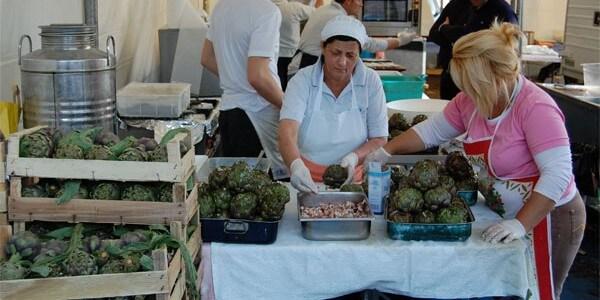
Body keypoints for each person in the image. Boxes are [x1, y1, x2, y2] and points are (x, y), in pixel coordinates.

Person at [366, 22, 585, 300]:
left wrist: (521, 224)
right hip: (504, 211)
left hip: (550, 217)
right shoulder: (470, 100)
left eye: (472, 84)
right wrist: (387, 150)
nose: (466, 92)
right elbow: (430, 132)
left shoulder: (535, 107)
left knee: (538, 290)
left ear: (496, 76)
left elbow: (558, 174)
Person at [279, 15, 388, 193]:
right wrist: (296, 166)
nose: (342, 62)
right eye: (336, 53)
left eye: (350, 55)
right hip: (307, 180)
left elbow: (380, 138)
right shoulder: (303, 80)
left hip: (353, 181)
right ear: (323, 47)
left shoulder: (370, 81)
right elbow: (287, 131)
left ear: (359, 53)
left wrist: (354, 157)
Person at [201, 0, 288, 179]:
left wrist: (234, 78)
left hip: (229, 112)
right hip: (256, 116)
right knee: (264, 191)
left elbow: (206, 58)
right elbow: (257, 76)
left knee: (238, 187)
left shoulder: (221, 7)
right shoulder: (267, 11)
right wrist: (288, 107)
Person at [289, 0, 417, 74]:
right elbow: (369, 44)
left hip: (301, 66)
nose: (361, 4)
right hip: (310, 68)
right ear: (348, 1)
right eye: (359, 0)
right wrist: (400, 41)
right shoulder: (339, 18)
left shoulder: (325, 9)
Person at [429, 0, 517, 100]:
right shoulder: (456, 4)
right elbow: (434, 33)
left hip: (484, 79)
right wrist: (456, 39)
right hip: (452, 74)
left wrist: (446, 29)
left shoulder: (501, 9)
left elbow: (473, 38)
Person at [273, 0, 324, 90]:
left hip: (271, 57)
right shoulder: (293, 8)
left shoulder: (264, 9)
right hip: (290, 57)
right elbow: (318, 12)